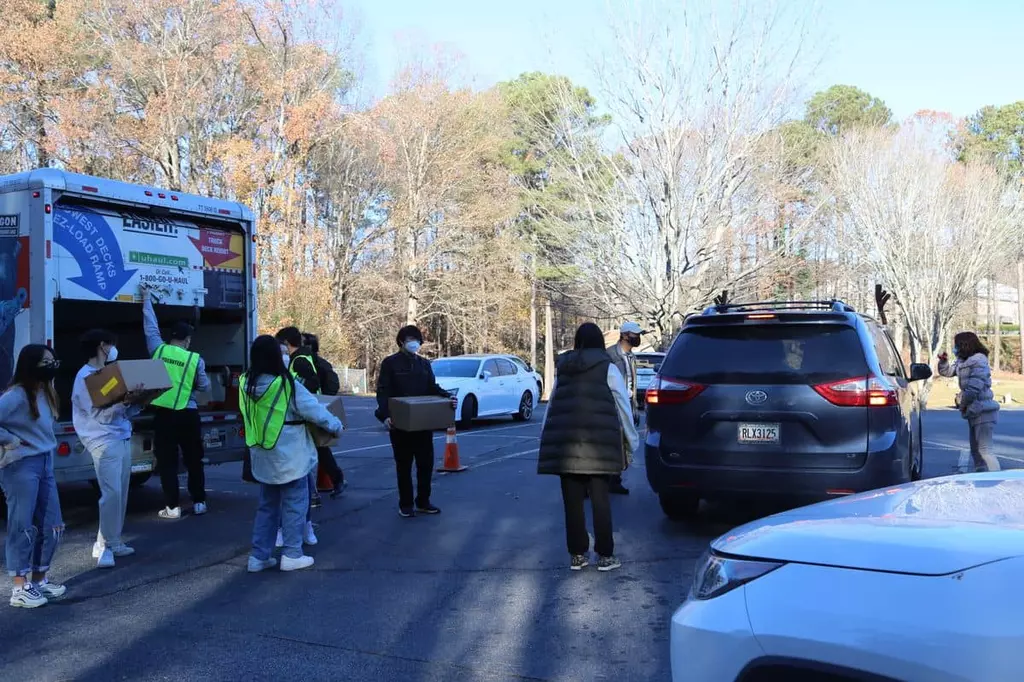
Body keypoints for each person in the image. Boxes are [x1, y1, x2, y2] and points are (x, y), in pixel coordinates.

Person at [539, 322, 639, 572]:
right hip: (599, 445)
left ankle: (577, 555)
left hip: (566, 446)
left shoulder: (563, 367)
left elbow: (552, 404)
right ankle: (605, 556)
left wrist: (546, 436)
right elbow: (622, 405)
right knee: (600, 501)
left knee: (572, 502)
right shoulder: (608, 367)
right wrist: (631, 438)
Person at [241, 335, 343, 573]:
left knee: (267, 507)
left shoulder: (246, 383)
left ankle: (259, 556)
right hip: (290, 456)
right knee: (295, 504)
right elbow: (315, 411)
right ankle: (292, 553)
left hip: (262, 454)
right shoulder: (287, 384)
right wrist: (336, 426)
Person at [72, 330, 148, 569]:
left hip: (121, 436)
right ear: (102, 346)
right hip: (103, 441)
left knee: (121, 491)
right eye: (111, 344)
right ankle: (102, 546)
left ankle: (113, 540)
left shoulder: (108, 374)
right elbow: (100, 415)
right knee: (111, 493)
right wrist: (125, 401)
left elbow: (120, 411)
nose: (113, 349)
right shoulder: (86, 377)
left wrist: (138, 402)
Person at [0, 344, 66, 608]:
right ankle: (20, 587)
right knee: (22, 525)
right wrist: (9, 440)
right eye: (46, 361)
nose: (52, 365)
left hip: (45, 462)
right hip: (20, 466)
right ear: (30, 365)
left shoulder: (46, 392)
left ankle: (39, 579)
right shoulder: (16, 395)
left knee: (53, 524)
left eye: (53, 360)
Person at [141, 285, 211, 520]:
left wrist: (146, 299)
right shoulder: (195, 359)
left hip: (164, 414)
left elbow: (150, 326)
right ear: (187, 340)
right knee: (194, 460)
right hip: (189, 414)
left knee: (168, 462)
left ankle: (172, 507)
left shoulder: (158, 349)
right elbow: (204, 386)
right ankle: (199, 501)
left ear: (171, 337)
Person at [375, 325, 455, 518]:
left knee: (425, 464)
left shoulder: (424, 364)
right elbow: (383, 391)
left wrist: (447, 398)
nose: (414, 343)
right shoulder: (390, 363)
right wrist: (385, 415)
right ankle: (406, 503)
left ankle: (423, 501)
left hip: (422, 422)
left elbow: (432, 387)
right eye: (410, 339)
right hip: (399, 423)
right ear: (401, 341)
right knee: (403, 465)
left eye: (417, 340)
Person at [275, 327, 322, 537]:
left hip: (277, 442)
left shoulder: (298, 362)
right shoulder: (295, 366)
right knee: (297, 489)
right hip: (292, 437)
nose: (284, 356)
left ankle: (288, 534)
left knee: (276, 497)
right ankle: (302, 531)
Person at [938, 332, 1001, 472]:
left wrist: (963, 403)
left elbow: (974, 388)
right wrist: (943, 361)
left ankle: (995, 479)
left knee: (985, 450)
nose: (955, 348)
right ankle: (981, 479)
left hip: (984, 410)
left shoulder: (979, 361)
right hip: (973, 411)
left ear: (964, 345)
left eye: (957, 345)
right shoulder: (962, 361)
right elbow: (947, 372)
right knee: (976, 451)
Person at [302, 332, 345, 497]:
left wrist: (323, 399)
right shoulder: (318, 363)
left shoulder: (308, 363)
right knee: (321, 448)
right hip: (317, 407)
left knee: (317, 448)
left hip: (312, 409)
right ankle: (335, 479)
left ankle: (317, 488)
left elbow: (331, 384)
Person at [606, 321, 643, 495]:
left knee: (624, 443)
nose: (637, 338)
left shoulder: (631, 357)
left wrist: (634, 407)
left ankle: (616, 478)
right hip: (614, 405)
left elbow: (632, 383)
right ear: (624, 335)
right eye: (634, 335)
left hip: (627, 403)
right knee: (615, 443)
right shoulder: (610, 356)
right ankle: (611, 479)